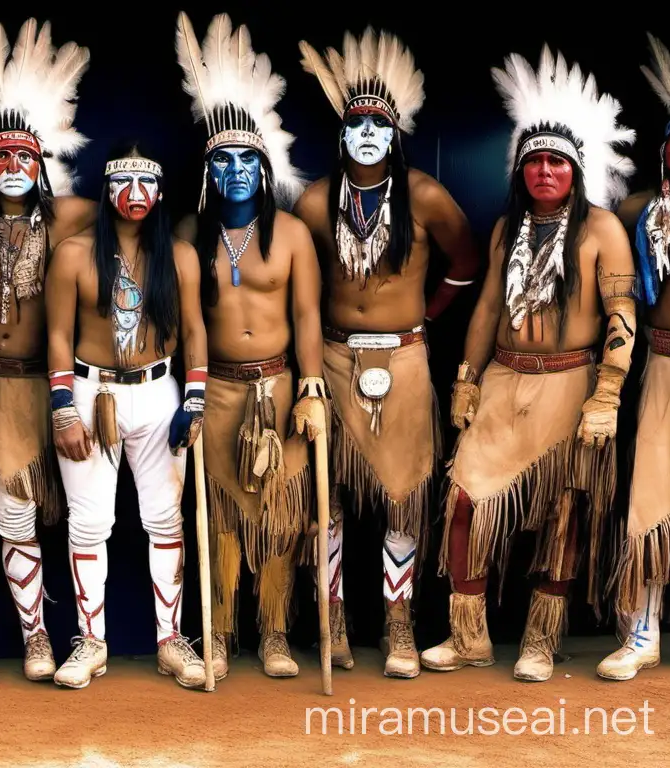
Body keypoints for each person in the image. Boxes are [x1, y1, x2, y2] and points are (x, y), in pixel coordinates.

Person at [422, 47, 636, 683]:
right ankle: (469, 638)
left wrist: (609, 392)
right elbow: (487, 308)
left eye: (557, 162)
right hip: (505, 381)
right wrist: (466, 379)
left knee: (563, 512)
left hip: (571, 383)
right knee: (465, 502)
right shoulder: (504, 230)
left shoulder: (601, 230)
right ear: (521, 170)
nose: (545, 171)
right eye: (535, 161)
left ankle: (541, 642)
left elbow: (622, 311)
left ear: (575, 171)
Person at [292, 28, 481, 679]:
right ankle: (332, 619)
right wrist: (310, 376)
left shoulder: (423, 195)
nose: (368, 131)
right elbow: (301, 293)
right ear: (341, 131)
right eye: (357, 120)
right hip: (336, 360)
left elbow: (465, 263)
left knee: (403, 496)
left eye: (379, 121)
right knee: (330, 497)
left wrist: (421, 321)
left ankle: (399, 623)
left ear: (396, 130)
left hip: (403, 361)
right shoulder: (316, 202)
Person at [172, 12, 326, 680]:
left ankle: (274, 635)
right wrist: (194, 391)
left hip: (278, 387)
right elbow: (188, 323)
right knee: (222, 516)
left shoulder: (289, 233)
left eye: (246, 160)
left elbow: (310, 316)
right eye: (222, 160)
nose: (235, 170)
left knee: (281, 519)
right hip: (219, 388)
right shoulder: (188, 231)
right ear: (208, 172)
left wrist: (313, 391)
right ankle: (219, 632)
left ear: (264, 169)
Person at [0, 18, 96, 682]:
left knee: (85, 511)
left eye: (24, 159)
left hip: (61, 383)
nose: (12, 169)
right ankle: (36, 638)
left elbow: (139, 221)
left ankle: (88, 638)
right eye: (1, 159)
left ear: (43, 165)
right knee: (15, 514)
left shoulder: (70, 216)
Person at [45, 141, 208, 689]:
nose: (134, 196)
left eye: (146, 184)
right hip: (91, 392)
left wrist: (195, 400)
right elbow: (59, 336)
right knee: (89, 523)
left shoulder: (179, 256)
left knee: (165, 518)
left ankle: (170, 640)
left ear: (160, 192)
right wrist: (63, 407)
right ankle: (91, 640)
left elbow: (194, 332)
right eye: (123, 183)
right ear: (106, 189)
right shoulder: (73, 253)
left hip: (159, 391)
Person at [599, 27, 670, 680]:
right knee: (652, 494)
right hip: (664, 367)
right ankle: (640, 634)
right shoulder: (639, 210)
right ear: (665, 151)